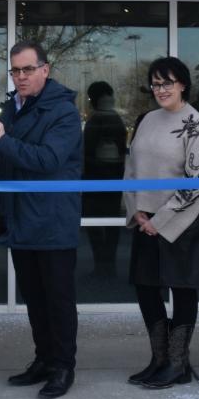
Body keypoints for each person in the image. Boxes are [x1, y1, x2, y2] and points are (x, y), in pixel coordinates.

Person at [0, 40, 83, 399]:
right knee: (35, 299)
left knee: (58, 299)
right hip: (21, 218)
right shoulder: (13, 107)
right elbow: (4, 149)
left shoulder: (64, 112)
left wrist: (4, 141)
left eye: (28, 69)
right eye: (15, 70)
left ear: (46, 69)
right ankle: (44, 359)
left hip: (52, 221)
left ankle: (63, 367)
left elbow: (49, 160)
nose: (21, 77)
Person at [123, 57, 199, 390]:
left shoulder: (196, 123)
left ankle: (178, 363)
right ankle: (159, 358)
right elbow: (129, 168)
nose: (161, 89)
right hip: (144, 219)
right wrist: (138, 212)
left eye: (167, 83)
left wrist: (161, 220)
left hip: (181, 222)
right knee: (146, 288)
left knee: (182, 289)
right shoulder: (146, 119)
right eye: (156, 83)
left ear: (183, 85)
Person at [83, 81, 127, 277]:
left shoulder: (95, 121)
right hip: (114, 180)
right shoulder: (117, 120)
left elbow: (87, 152)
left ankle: (102, 265)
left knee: (95, 226)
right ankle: (108, 265)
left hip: (94, 180)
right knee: (111, 227)